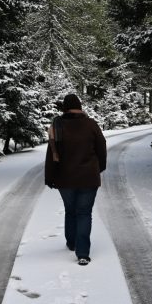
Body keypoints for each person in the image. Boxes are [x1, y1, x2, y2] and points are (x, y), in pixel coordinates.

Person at [44, 93, 107, 265]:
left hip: (65, 179)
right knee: (84, 213)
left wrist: (50, 176)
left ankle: (72, 243)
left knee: (71, 211)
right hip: (88, 178)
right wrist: (98, 168)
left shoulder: (57, 126)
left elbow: (51, 152)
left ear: (64, 107)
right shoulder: (91, 124)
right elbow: (102, 148)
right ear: (80, 107)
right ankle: (83, 253)